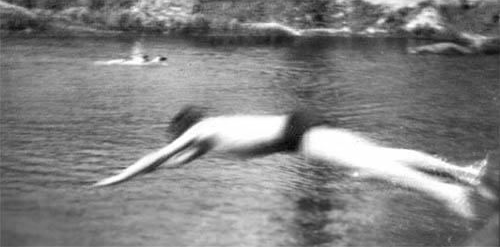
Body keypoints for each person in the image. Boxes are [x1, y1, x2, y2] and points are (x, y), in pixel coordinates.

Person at [94, 106, 495, 219]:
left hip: (300, 135)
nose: (178, 145)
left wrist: (117, 178)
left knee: (370, 167)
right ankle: (463, 172)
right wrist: (147, 173)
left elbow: (156, 159)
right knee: (378, 157)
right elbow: (172, 164)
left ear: (185, 128)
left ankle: (449, 193)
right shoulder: (207, 139)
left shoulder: (201, 130)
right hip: (301, 129)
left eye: (178, 138)